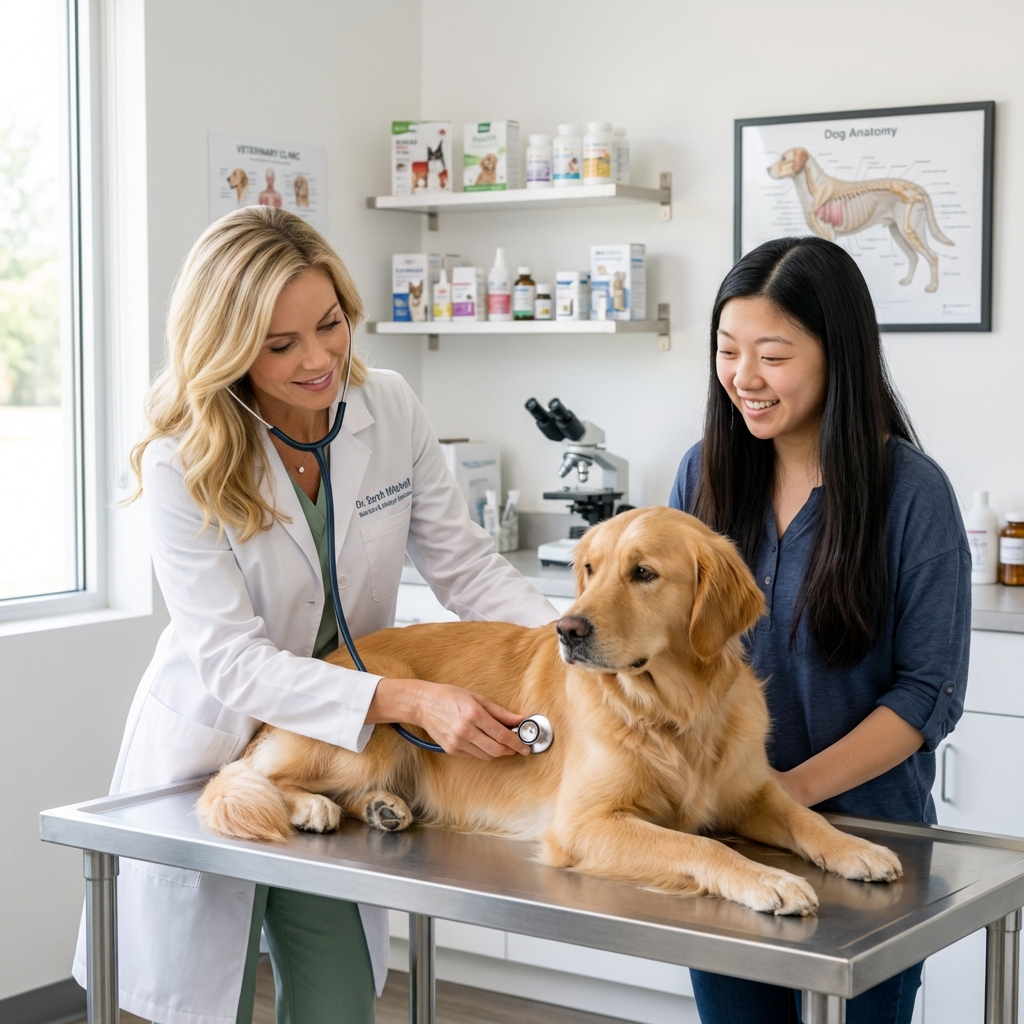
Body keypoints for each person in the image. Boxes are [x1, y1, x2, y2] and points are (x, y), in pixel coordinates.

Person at [71, 206, 557, 1024]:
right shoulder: (181, 458)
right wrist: (408, 700)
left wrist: (565, 659)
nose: (320, 358)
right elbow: (231, 661)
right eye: (279, 343)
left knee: (336, 1003)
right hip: (220, 748)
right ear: (225, 349)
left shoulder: (389, 406)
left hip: (337, 764)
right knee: (204, 1000)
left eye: (330, 325)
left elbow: (464, 567)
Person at [669, 236, 970, 1024]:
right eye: (727, 351)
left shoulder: (912, 495)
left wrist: (783, 799)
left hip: (869, 841)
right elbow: (668, 655)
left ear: (839, 354)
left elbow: (924, 697)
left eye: (772, 354)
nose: (743, 377)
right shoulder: (703, 474)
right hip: (731, 845)